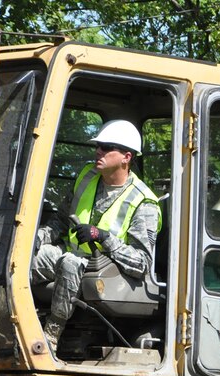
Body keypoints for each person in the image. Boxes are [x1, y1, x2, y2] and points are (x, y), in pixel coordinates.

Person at [32, 120, 160, 353]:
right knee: (24, 259)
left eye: (106, 147)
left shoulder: (143, 202)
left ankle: (50, 337)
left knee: (70, 263)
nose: (98, 151)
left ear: (126, 157)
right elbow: (60, 220)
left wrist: (102, 236)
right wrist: (34, 240)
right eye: (98, 145)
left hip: (106, 268)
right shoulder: (87, 177)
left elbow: (142, 263)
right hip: (67, 253)